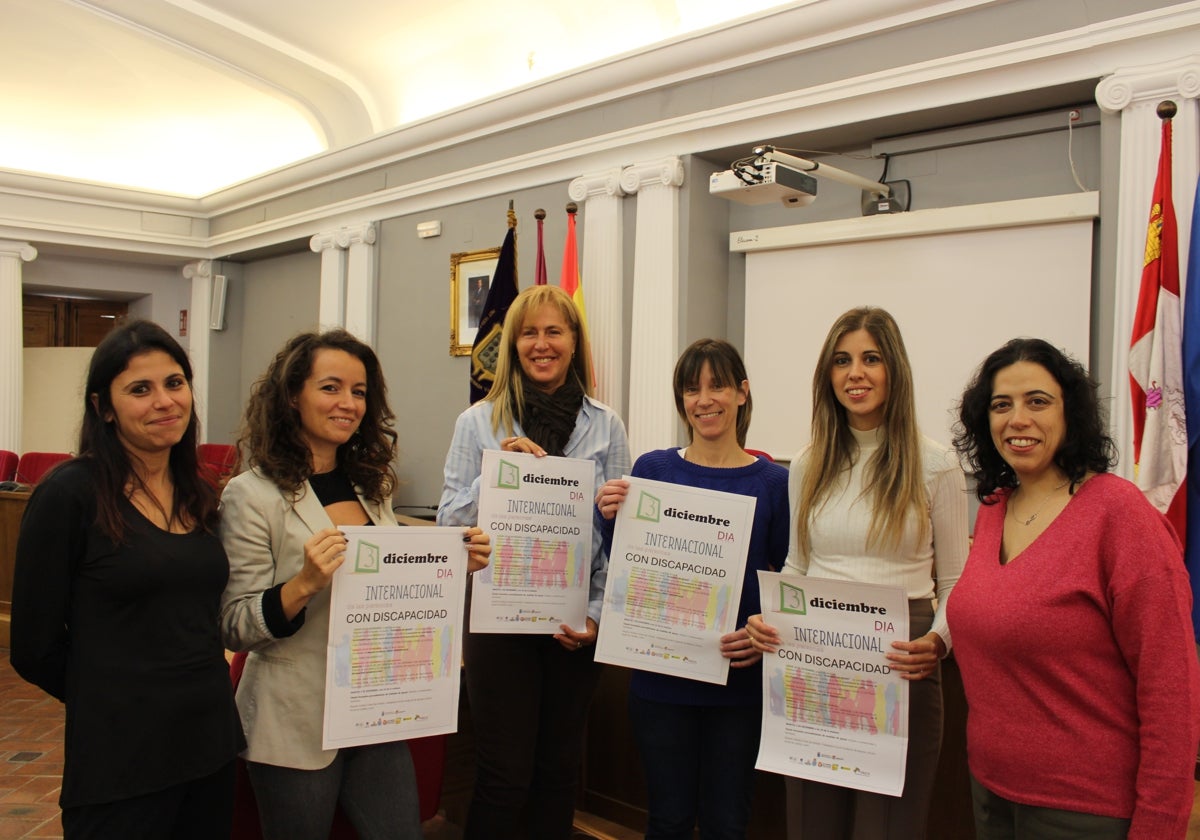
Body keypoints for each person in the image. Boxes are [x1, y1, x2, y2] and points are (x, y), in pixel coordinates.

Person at [219, 329, 490, 840]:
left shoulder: (371, 485)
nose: (348, 403)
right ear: (292, 395)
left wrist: (455, 564)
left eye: (359, 392)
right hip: (293, 719)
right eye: (331, 388)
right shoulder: (248, 495)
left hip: (373, 708)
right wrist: (304, 583)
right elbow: (236, 627)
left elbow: (390, 584)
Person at [948, 338, 1200, 840]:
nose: (1018, 419)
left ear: (1071, 413)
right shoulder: (996, 508)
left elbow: (1171, 688)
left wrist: (1158, 825)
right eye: (1002, 405)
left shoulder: (1120, 516)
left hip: (1086, 810)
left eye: (1037, 401)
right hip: (992, 793)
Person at [10, 319, 243, 839]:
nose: (164, 401)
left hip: (209, 744)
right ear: (104, 408)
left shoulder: (199, 494)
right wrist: (112, 698)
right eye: (141, 389)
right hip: (122, 759)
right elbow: (32, 647)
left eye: (175, 383)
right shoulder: (69, 494)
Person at [746, 306, 968, 840]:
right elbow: (799, 563)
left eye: (871, 359)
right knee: (812, 820)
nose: (856, 374)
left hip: (901, 658)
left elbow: (956, 583)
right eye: (842, 361)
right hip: (815, 655)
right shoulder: (807, 462)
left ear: (894, 370)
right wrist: (767, 619)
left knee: (886, 827)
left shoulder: (936, 465)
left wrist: (938, 642)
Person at [438, 284, 630, 839]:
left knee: (557, 773)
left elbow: (616, 536)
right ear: (512, 344)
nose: (541, 344)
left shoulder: (606, 425)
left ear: (574, 342)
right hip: (498, 621)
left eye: (554, 331)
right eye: (529, 332)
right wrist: (493, 474)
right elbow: (451, 523)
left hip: (573, 625)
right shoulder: (476, 423)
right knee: (504, 775)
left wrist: (596, 614)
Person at [594, 338, 789, 839]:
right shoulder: (653, 470)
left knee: (728, 823)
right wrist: (612, 516)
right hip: (662, 681)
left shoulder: (773, 482)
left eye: (718, 385)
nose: (705, 399)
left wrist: (766, 627)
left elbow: (788, 579)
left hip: (738, 681)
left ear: (742, 393)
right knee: (668, 820)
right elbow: (629, 571)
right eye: (691, 388)